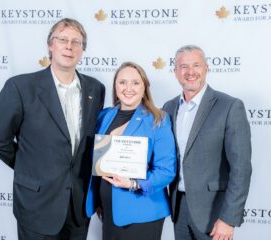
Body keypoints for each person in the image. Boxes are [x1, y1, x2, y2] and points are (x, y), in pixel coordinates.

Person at [0, 18, 105, 240]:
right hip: (37, 204)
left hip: (78, 206)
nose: (69, 46)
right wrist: (27, 165)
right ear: (50, 45)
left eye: (76, 42)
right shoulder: (20, 87)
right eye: (63, 39)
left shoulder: (95, 89)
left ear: (83, 49)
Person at [163, 45, 252, 240]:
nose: (190, 72)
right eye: (183, 66)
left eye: (196, 65)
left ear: (206, 68)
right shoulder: (168, 108)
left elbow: (241, 168)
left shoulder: (229, 106)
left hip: (214, 213)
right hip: (179, 208)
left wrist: (228, 219)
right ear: (175, 72)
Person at [86, 62, 176, 240]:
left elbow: (166, 171)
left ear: (145, 86)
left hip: (142, 212)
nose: (128, 88)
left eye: (135, 83)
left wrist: (134, 184)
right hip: (108, 211)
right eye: (122, 82)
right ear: (115, 86)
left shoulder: (159, 119)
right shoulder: (104, 115)